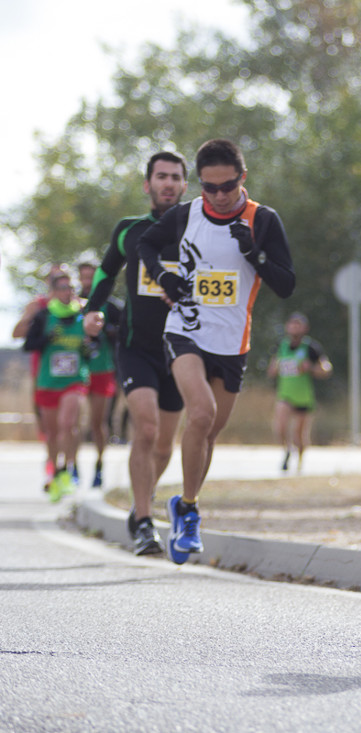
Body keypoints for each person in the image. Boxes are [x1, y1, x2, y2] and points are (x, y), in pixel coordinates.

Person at [138, 139, 295, 564]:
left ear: (242, 178)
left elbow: (286, 284)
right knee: (201, 413)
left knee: (208, 433)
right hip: (185, 330)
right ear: (200, 184)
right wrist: (164, 278)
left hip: (233, 342)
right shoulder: (185, 214)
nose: (220, 196)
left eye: (227, 186)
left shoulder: (263, 219)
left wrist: (253, 254)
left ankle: (185, 505)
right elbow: (145, 245)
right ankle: (190, 515)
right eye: (210, 187)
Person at [84, 151, 189, 555]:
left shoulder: (197, 229)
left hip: (181, 350)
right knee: (144, 429)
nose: (168, 183)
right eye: (161, 176)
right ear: (148, 185)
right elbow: (106, 272)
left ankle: (140, 500)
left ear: (184, 185)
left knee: (163, 445)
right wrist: (92, 310)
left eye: (175, 177)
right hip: (135, 348)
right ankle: (145, 523)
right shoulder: (129, 229)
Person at [22, 271, 90, 501]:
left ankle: (67, 470)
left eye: (70, 288)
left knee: (67, 424)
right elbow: (28, 345)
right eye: (62, 288)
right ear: (53, 292)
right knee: (51, 433)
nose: (66, 292)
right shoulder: (43, 316)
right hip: (48, 382)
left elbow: (96, 343)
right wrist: (47, 339)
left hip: (74, 380)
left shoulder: (83, 314)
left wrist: (89, 347)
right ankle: (54, 471)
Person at [266, 312, 332, 472]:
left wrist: (312, 368)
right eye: (292, 324)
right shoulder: (281, 346)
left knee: (299, 434)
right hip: (285, 394)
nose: (294, 328)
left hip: (304, 396)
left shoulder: (311, 348)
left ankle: (300, 463)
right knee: (280, 425)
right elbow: (271, 370)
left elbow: (326, 369)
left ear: (305, 328)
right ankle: (287, 450)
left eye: (298, 325)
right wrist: (276, 368)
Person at [77, 258, 121, 488]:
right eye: (83, 276)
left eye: (90, 277)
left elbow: (124, 333)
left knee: (98, 422)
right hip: (77, 372)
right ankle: (71, 467)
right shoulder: (73, 304)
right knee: (73, 422)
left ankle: (99, 466)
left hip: (103, 369)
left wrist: (110, 331)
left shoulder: (111, 306)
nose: (87, 281)